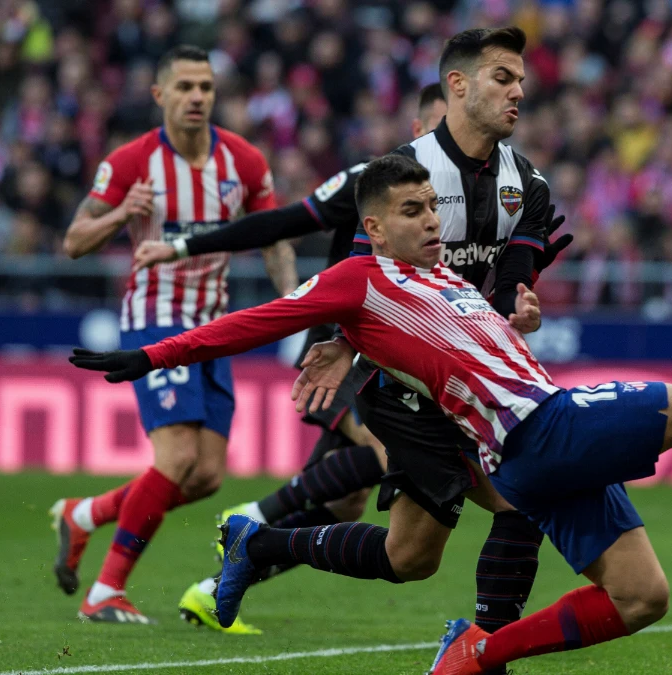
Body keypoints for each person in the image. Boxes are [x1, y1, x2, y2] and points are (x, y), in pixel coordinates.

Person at [71, 153, 672, 672]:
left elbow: (460, 349)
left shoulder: (441, 277)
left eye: (432, 208)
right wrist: (155, 357)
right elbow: (263, 319)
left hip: (524, 455)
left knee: (641, 598)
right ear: (374, 227)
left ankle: (477, 652)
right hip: (540, 428)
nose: (431, 222)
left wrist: (517, 317)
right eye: (412, 212)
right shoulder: (360, 278)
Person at [135, 29, 571, 659]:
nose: (518, 95)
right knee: (478, 489)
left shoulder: (516, 182)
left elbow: (502, 285)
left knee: (380, 524)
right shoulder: (382, 177)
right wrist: (181, 246)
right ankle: (481, 646)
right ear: (447, 101)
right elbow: (286, 222)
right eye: (503, 80)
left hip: (449, 361)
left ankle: (246, 544)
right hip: (365, 352)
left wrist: (518, 302)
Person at [140, 83, 446, 636]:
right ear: (423, 130)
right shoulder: (368, 182)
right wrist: (186, 246)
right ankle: (254, 519)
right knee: (382, 456)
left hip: (410, 355)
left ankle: (218, 583)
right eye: (442, 129)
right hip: (348, 350)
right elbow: (282, 222)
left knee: (346, 502)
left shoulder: (470, 195)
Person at [50, 45, 294, 624]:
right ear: (160, 95)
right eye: (184, 87)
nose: (197, 98)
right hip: (156, 318)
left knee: (207, 474)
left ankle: (83, 515)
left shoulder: (244, 161)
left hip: (215, 326)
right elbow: (74, 241)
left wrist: (293, 304)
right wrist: (118, 216)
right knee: (178, 455)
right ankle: (105, 591)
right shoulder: (133, 162)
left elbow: (277, 236)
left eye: (205, 87)